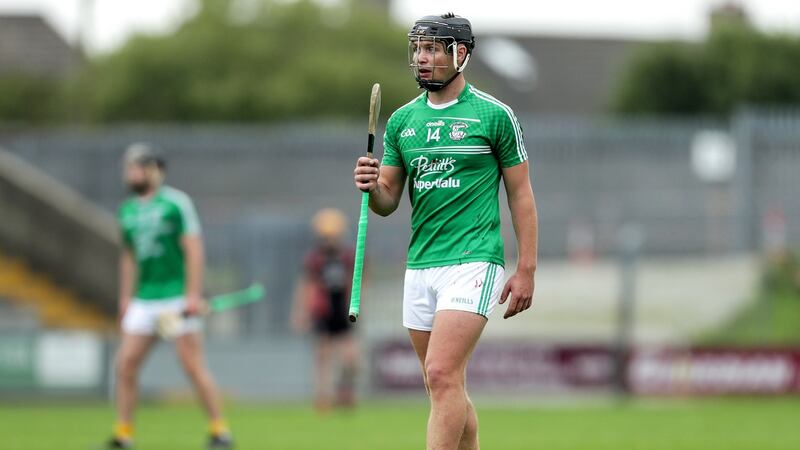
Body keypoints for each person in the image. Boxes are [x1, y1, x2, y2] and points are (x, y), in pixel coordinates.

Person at [353, 13, 538, 450]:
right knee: (444, 386)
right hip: (421, 265)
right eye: (418, 48)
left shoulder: (494, 115)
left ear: (461, 54)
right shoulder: (402, 122)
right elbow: (386, 201)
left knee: (440, 373)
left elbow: (522, 195)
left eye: (433, 48)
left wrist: (526, 267)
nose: (422, 57)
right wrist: (370, 183)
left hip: (474, 259)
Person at [106, 143, 233, 449]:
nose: (132, 172)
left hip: (174, 298)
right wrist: (125, 298)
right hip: (143, 300)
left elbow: (193, 248)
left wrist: (192, 294)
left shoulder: (176, 204)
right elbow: (128, 257)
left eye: (138, 166)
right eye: (129, 167)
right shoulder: (127, 211)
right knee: (125, 365)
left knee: (190, 364)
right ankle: (124, 434)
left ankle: (219, 430)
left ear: (155, 170)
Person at [291, 208, 359, 412]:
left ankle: (344, 391)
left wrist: (356, 305)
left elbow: (356, 282)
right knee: (323, 357)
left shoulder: (348, 256)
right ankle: (323, 397)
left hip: (343, 311)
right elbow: (306, 285)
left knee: (350, 358)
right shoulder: (314, 259)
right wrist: (300, 312)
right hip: (323, 311)